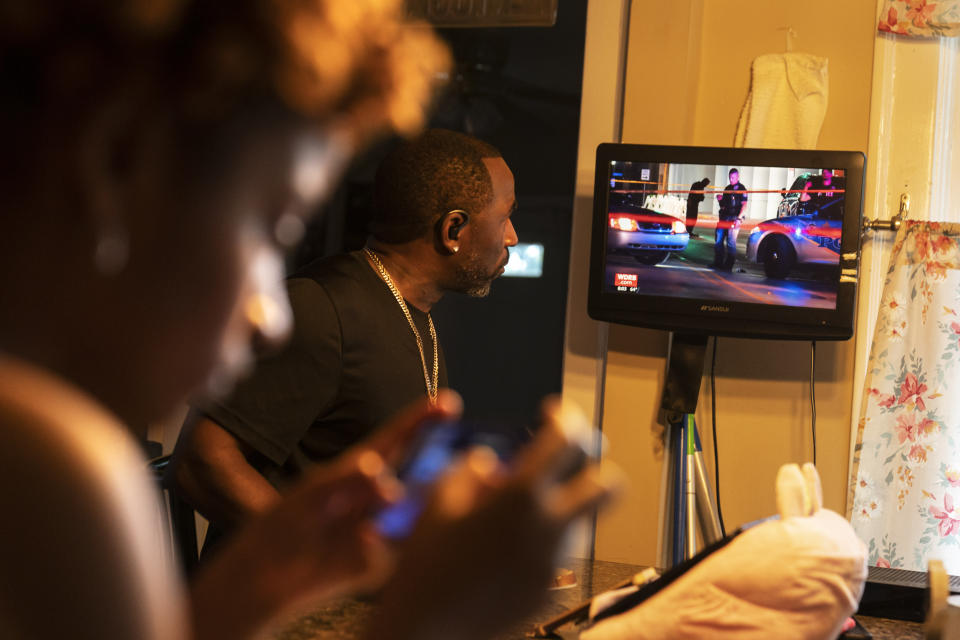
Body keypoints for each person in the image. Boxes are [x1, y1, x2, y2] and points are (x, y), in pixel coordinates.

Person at [0, 2, 617, 640]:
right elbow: (204, 460)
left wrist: (297, 553)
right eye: (270, 225)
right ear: (113, 169)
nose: (269, 317)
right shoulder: (53, 473)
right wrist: (432, 619)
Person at [171, 129, 519, 550]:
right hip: (284, 608)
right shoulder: (321, 309)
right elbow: (202, 460)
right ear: (453, 230)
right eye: (505, 217)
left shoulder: (416, 316)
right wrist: (319, 557)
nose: (512, 236)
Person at [713, 168, 748, 271]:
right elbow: (723, 206)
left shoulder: (742, 189)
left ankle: (728, 266)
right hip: (724, 217)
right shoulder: (727, 188)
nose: (731, 179)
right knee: (718, 240)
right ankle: (718, 263)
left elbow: (744, 205)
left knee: (730, 242)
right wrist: (720, 200)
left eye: (733, 177)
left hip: (734, 218)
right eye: (730, 177)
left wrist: (739, 218)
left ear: (737, 177)